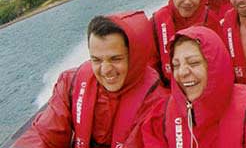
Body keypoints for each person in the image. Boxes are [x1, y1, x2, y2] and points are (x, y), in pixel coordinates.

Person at [15, 12, 167, 148]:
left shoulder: (158, 105)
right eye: (96, 60)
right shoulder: (70, 85)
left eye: (115, 59)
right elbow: (44, 135)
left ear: (134, 57)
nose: (105, 69)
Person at [142, 26, 246, 147]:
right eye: (176, 65)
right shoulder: (159, 118)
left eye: (193, 62)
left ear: (216, 66)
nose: (182, 72)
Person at [152, 0, 221, 85]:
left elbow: (222, 60)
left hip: (207, 86)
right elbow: (151, 65)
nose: (187, 2)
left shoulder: (211, 20)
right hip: (172, 89)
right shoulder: (157, 21)